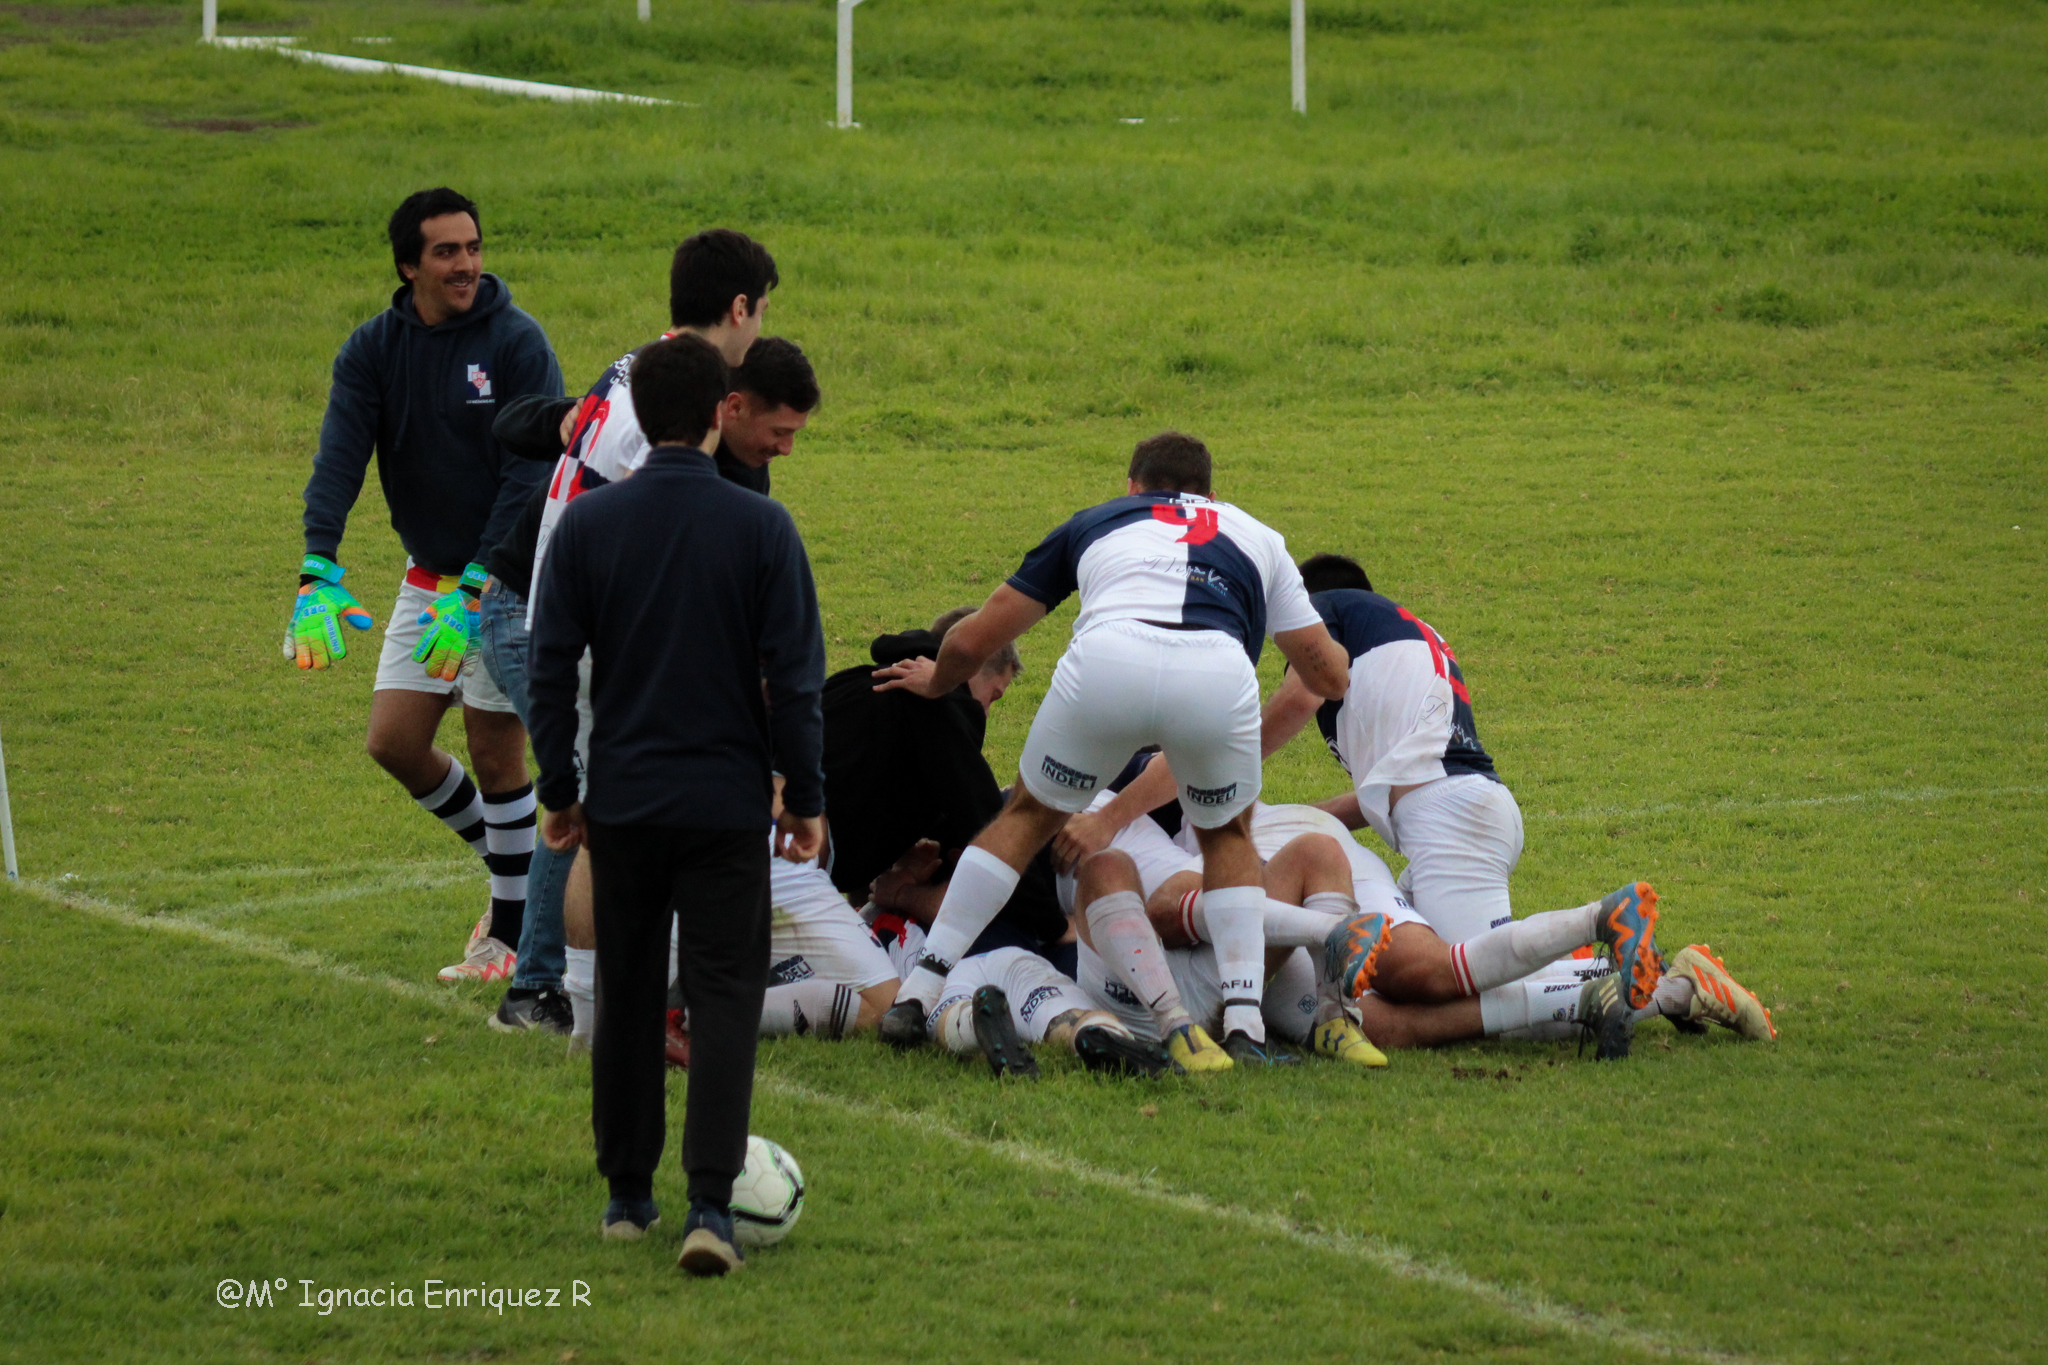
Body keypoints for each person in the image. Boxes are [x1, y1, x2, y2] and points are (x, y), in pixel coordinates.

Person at [870, 431, 1354, 1071]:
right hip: (1216, 672)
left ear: (1131, 487)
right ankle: (1244, 1027)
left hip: (1108, 660)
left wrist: (936, 680)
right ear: (1212, 497)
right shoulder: (1257, 536)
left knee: (1025, 819)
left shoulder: (1096, 521)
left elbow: (978, 633)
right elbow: (1326, 674)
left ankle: (920, 989)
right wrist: (1337, 668)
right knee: (1228, 837)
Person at [527, 334, 826, 1277]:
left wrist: (559, 789)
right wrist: (805, 794)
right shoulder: (761, 529)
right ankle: (711, 1205)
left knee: (626, 989)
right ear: (717, 413)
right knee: (724, 994)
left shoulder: (588, 525)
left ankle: (626, 1197)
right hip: (724, 802)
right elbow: (799, 678)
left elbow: (547, 666)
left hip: (623, 799)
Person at [475, 330, 820, 1035]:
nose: (786, 448)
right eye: (779, 431)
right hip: (536, 614)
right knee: (583, 793)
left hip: (569, 621)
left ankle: (595, 983)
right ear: (729, 407)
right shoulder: (660, 449)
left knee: (597, 790)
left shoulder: (711, 455)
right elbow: (512, 422)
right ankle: (540, 987)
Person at [287, 186, 563, 984]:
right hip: (427, 577)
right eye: (446, 251)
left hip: (511, 576)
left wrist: (476, 585)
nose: (466, 264)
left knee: (493, 748)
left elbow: (532, 470)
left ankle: (506, 937)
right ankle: (523, 874)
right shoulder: (372, 349)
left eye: (473, 247)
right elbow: (339, 454)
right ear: (409, 264)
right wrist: (318, 564)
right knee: (395, 742)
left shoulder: (516, 341)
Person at [822, 607, 1071, 962]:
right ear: (972, 665)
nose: (985, 713)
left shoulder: (856, 682)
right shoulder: (941, 706)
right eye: (994, 697)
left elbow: (866, 783)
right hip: (792, 854)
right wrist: (1054, 927)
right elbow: (985, 822)